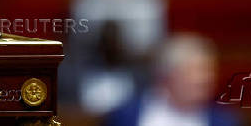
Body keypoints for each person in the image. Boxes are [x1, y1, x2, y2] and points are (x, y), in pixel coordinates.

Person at [103, 34, 240, 126]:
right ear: (167, 76)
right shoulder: (125, 116)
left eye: (209, 70)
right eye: (195, 70)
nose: (205, 78)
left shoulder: (224, 120)